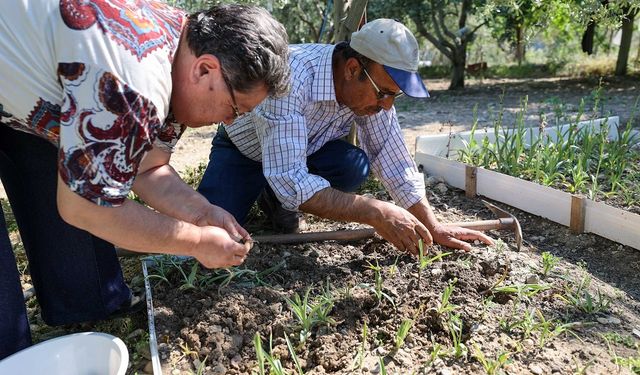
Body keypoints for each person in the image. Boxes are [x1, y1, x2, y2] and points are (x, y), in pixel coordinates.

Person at [0, 0, 289, 359]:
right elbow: (88, 209)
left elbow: (147, 168)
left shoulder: (180, 49)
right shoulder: (135, 83)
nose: (229, 123)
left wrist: (202, 213)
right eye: (234, 109)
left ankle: (84, 310)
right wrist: (197, 242)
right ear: (205, 70)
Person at [198, 18, 494, 255]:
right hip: (244, 151)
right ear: (352, 69)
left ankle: (274, 198)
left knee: (353, 166)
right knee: (207, 237)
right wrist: (374, 211)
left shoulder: (371, 89)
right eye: (385, 94)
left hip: (305, 152)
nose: (387, 106)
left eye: (395, 96)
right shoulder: (292, 79)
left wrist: (433, 225)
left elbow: (390, 156)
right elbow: (289, 179)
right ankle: (271, 191)